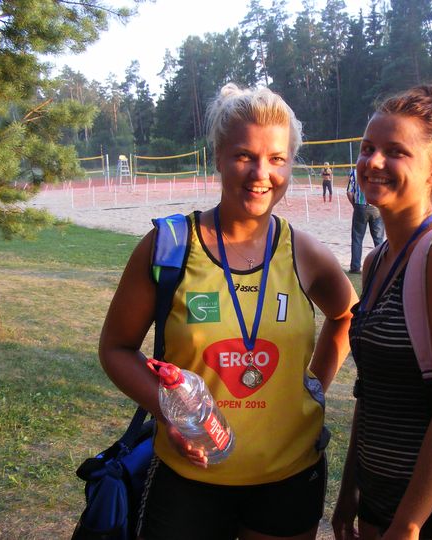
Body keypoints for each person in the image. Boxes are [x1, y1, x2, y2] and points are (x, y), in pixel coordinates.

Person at [100, 83, 357, 540]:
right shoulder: (168, 247)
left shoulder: (305, 253)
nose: (261, 173)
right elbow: (116, 349)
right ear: (218, 156)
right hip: (190, 477)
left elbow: (346, 315)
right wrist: (169, 412)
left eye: (277, 159)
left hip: (289, 479)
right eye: (244, 155)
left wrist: (314, 385)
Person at [332, 82, 432, 540]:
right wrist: (350, 489)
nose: (373, 162)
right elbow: (371, 391)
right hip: (379, 498)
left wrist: (410, 522)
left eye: (395, 152)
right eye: (368, 148)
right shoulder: (375, 262)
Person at [346, 169, 384, 274]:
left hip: (360, 206)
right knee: (378, 240)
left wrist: (355, 206)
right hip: (376, 207)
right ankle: (381, 266)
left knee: (357, 238)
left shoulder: (355, 172)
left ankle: (355, 267)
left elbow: (349, 192)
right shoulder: (379, 172)